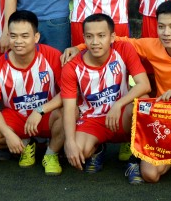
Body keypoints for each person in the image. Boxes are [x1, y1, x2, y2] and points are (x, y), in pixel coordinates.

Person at [64, 0, 171, 186]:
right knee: (150, 174)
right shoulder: (152, 45)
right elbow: (113, 39)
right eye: (161, 26)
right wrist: (78, 48)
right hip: (166, 116)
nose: (166, 32)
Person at [61, 13, 150, 174]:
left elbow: (144, 85)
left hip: (120, 115)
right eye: (89, 36)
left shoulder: (124, 49)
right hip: (92, 119)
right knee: (79, 152)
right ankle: (98, 149)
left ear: (112, 37)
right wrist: (69, 142)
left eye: (101, 36)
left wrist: (118, 104)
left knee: (143, 102)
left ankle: (135, 157)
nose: (95, 42)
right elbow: (68, 108)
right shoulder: (71, 66)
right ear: (83, 38)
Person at [0, 10, 65, 175]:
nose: (18, 41)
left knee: (71, 111)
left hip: (46, 115)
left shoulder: (52, 55)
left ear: (36, 37)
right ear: (8, 36)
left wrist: (40, 110)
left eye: (25, 36)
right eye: (13, 36)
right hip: (17, 118)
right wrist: (8, 134)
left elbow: (69, 93)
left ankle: (51, 153)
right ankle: (26, 143)